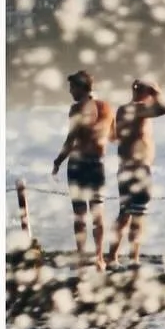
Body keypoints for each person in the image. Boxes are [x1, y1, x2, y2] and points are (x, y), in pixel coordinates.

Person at [52, 71, 115, 267]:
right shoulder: (107, 107)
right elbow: (114, 136)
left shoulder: (76, 108)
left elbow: (71, 139)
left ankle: (81, 256)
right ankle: (99, 258)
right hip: (98, 163)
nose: (70, 91)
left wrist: (58, 161)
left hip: (79, 165)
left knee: (80, 213)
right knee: (98, 211)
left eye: (72, 87)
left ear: (81, 87)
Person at [106, 79, 165, 265]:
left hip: (126, 168)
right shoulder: (137, 108)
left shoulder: (124, 110)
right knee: (138, 215)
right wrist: (157, 91)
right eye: (149, 92)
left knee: (125, 213)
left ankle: (113, 256)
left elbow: (113, 136)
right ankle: (133, 258)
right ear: (144, 92)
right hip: (138, 169)